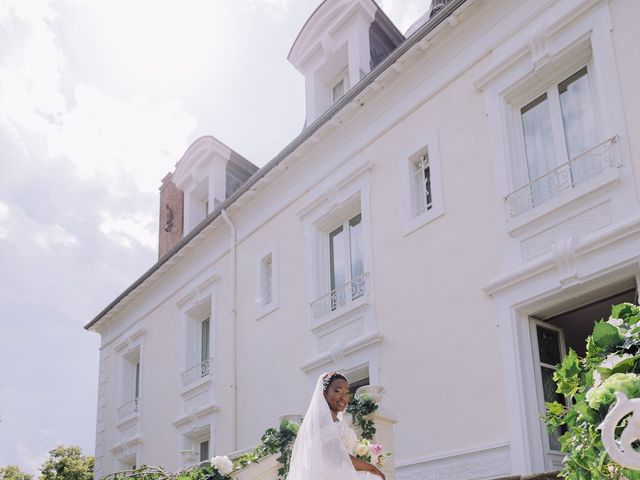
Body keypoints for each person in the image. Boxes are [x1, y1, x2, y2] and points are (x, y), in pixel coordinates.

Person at [287, 371, 386, 480]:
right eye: (337, 391)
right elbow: (337, 455)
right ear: (324, 393)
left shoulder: (338, 421)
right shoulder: (319, 422)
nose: (343, 397)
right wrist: (371, 468)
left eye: (346, 392)